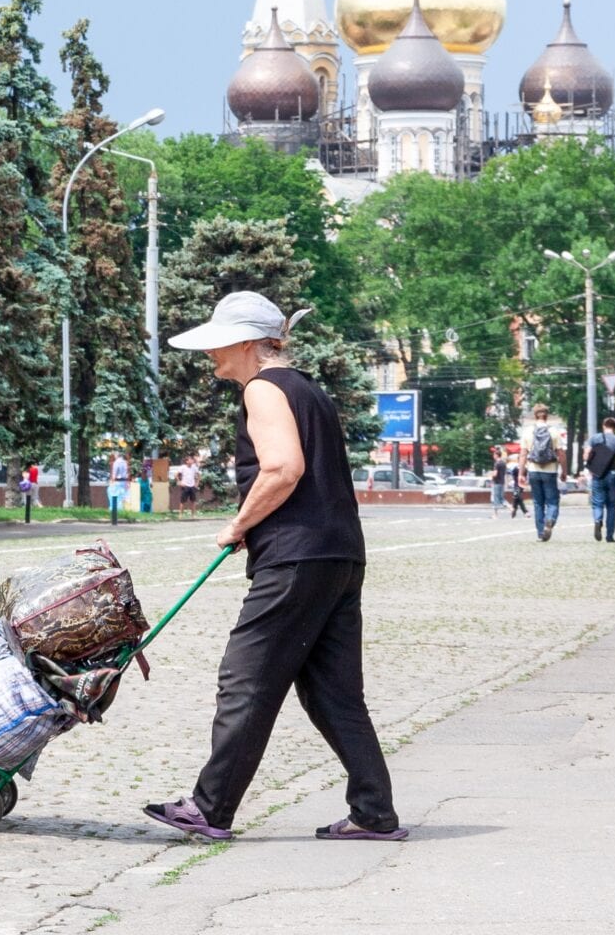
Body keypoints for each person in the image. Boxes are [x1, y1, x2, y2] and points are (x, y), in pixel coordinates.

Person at [143, 291, 406, 843]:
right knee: (334, 693)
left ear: (244, 342)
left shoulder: (263, 388)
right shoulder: (309, 389)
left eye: (218, 344)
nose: (211, 356)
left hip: (295, 558)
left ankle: (210, 808)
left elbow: (283, 468)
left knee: (246, 678)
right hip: (339, 555)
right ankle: (374, 812)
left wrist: (240, 523)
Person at [518, 404, 564, 541]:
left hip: (533, 470)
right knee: (553, 501)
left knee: (538, 503)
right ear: (547, 415)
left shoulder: (527, 432)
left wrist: (521, 474)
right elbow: (561, 453)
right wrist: (564, 471)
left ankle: (540, 533)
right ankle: (550, 520)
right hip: (550, 470)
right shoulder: (554, 431)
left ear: (534, 415)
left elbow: (523, 454)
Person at [584, 416, 615, 543]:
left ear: (604, 426)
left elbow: (586, 455)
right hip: (612, 474)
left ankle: (597, 520)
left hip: (598, 474)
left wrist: (592, 465)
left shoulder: (594, 438)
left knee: (597, 502)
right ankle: (609, 536)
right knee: (611, 506)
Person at [108, 450, 130, 518]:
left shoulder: (116, 463)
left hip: (117, 482)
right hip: (124, 482)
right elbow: (127, 473)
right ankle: (120, 511)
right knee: (121, 497)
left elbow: (114, 474)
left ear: (115, 456)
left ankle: (113, 510)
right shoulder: (125, 462)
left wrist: (112, 481)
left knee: (111, 493)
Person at [489, 450, 508, 517]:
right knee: (501, 498)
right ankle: (511, 508)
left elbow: (495, 474)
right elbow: (504, 473)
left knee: (495, 498)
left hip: (496, 482)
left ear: (497, 455)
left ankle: (495, 514)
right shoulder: (503, 463)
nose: (493, 456)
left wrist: (491, 475)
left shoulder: (497, 463)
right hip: (502, 482)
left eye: (494, 455)